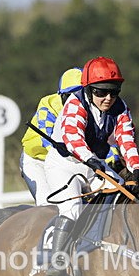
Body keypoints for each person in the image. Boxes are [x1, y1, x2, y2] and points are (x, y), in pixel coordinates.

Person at [43, 56, 139, 276]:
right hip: (64, 166)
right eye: (100, 92)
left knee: (127, 196)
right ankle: (56, 263)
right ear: (88, 89)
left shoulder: (121, 108)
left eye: (114, 91)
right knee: (72, 210)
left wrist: (136, 168)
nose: (108, 98)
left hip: (93, 164)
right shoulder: (75, 104)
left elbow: (126, 141)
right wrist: (93, 160)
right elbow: (72, 139)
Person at [20, 67, 82, 206]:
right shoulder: (48, 105)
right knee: (49, 206)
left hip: (70, 160)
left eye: (79, 95)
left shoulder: (91, 108)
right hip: (38, 161)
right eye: (69, 95)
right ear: (60, 95)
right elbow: (49, 141)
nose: (74, 101)